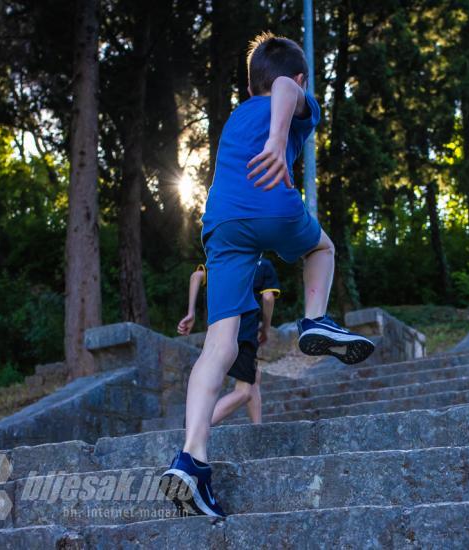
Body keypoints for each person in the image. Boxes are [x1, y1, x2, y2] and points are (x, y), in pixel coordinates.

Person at [160, 32, 375, 518]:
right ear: (298, 79)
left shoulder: (237, 115)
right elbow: (285, 89)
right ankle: (316, 318)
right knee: (322, 247)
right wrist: (280, 139)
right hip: (270, 195)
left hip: (222, 224)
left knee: (220, 345)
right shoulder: (291, 93)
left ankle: (191, 459)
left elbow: (271, 88)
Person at [177, 257, 281, 425]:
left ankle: (258, 429)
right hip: (245, 329)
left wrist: (191, 313)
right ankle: (194, 426)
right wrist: (266, 328)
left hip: (218, 329)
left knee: (254, 374)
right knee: (244, 391)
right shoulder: (262, 263)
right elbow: (268, 298)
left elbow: (196, 276)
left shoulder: (225, 257)